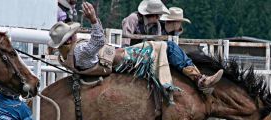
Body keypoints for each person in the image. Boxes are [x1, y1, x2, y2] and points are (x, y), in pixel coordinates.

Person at [48, 1, 222, 95]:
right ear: (70, 40)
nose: (75, 34)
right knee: (168, 46)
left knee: (166, 47)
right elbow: (99, 40)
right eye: (73, 33)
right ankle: (199, 79)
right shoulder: (80, 51)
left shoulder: (69, 56)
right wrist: (93, 19)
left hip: (117, 57)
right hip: (125, 58)